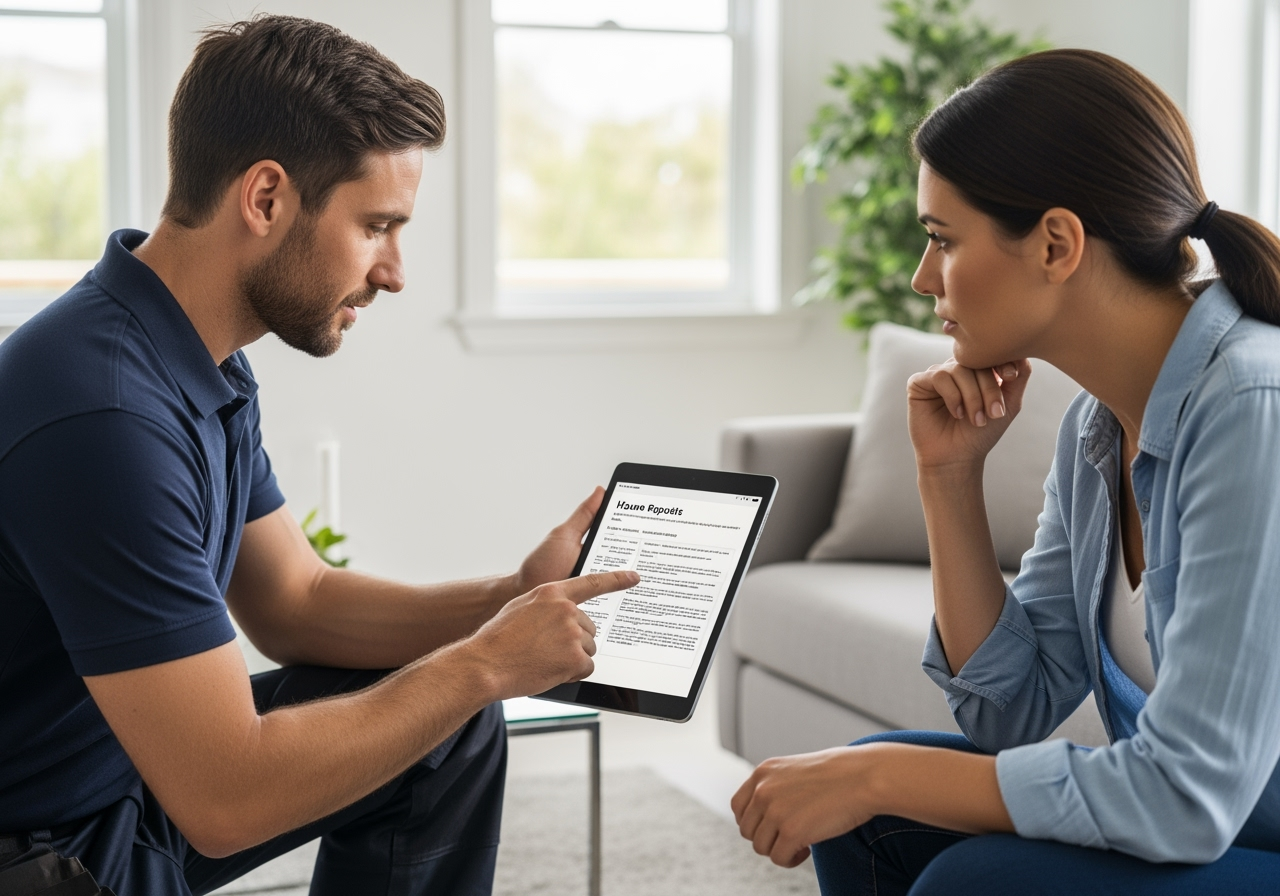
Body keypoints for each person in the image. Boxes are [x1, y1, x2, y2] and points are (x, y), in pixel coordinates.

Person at [0, 15, 637, 896]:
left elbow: (296, 602)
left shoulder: (193, 356)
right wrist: (487, 662)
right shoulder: (102, 417)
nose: (395, 271)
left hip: (116, 791)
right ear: (266, 199)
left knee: (446, 725)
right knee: (450, 695)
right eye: (377, 225)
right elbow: (225, 797)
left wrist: (511, 603)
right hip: (42, 852)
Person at [730, 48, 1280, 894]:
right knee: (875, 802)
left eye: (942, 241)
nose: (922, 279)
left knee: (961, 864)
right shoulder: (1098, 426)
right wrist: (948, 480)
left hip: (1234, 825)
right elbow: (1005, 712)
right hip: (1223, 827)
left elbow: (1185, 798)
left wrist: (873, 776)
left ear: (1056, 243)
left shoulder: (1251, 406)